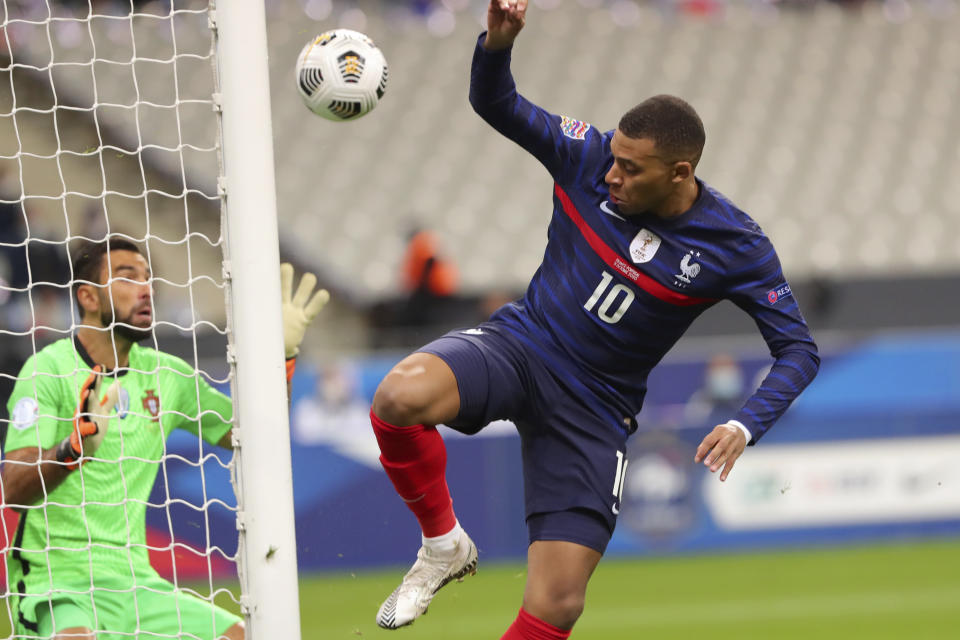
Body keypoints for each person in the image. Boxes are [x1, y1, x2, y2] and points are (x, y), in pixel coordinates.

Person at [368, 1, 820, 637]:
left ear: (680, 173)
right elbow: (498, 104)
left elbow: (798, 350)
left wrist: (746, 423)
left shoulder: (735, 244)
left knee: (557, 605)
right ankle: (443, 546)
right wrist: (496, 45)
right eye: (613, 157)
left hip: (595, 406)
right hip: (521, 346)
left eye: (631, 169)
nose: (611, 174)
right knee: (397, 396)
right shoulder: (586, 155)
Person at [2, 238, 328, 640]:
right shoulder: (46, 369)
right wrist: (74, 450)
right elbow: (14, 488)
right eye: (128, 277)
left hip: (134, 582)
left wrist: (280, 356)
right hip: (56, 582)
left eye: (148, 278)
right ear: (87, 296)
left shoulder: (167, 376)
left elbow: (255, 433)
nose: (146, 289)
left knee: (243, 636)